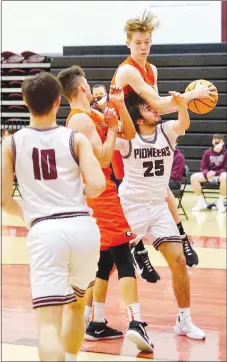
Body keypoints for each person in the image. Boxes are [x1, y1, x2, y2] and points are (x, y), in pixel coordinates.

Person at [1, 72, 106, 362]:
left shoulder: (11, 144)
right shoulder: (75, 138)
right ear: (59, 102)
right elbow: (98, 185)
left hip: (45, 231)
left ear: (24, 102)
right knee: (76, 304)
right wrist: (75, 192)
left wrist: (28, 214)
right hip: (83, 228)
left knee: (48, 324)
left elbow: (2, 198)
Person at [57, 66, 154, 353]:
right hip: (100, 195)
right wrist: (111, 129)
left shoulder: (92, 115)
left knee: (104, 261)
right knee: (124, 255)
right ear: (83, 88)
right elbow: (101, 157)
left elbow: (129, 132)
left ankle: (96, 322)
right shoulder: (81, 122)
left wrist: (120, 106)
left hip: (102, 192)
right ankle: (136, 322)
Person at [110, 9, 215, 273]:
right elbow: (157, 102)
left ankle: (180, 237)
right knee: (126, 195)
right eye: (138, 43)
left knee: (160, 186)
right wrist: (193, 96)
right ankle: (138, 249)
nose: (143, 47)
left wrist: (179, 108)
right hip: (124, 136)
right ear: (128, 43)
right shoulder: (126, 71)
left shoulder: (152, 69)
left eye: (147, 42)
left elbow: (156, 109)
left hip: (143, 131)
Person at [116, 91, 205, 340]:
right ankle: (92, 312)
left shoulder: (166, 131)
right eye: (147, 107)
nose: (155, 108)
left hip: (158, 206)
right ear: (139, 120)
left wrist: (180, 105)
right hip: (131, 206)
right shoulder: (128, 139)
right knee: (109, 264)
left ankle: (184, 320)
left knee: (178, 260)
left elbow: (183, 123)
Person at [191, 134, 227, 213]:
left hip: (219, 175)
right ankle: (201, 202)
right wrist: (207, 173)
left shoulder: (226, 153)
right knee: (194, 177)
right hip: (208, 175)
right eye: (215, 140)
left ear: (223, 142)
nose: (216, 142)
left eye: (218, 140)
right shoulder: (207, 152)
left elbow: (225, 168)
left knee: (225, 176)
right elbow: (203, 167)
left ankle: (220, 202)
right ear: (212, 141)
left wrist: (215, 172)